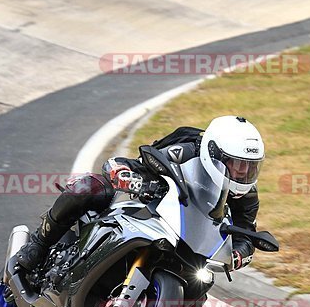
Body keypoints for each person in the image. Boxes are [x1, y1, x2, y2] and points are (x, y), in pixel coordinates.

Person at [15, 115, 265, 273]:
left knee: (196, 294)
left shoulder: (247, 197)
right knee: (88, 188)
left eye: (250, 166)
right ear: (214, 153)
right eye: (236, 163)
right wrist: (125, 175)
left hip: (187, 241)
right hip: (145, 208)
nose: (243, 172)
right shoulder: (184, 152)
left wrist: (238, 254)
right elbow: (137, 163)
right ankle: (40, 242)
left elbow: (247, 234)